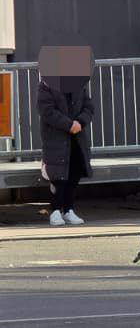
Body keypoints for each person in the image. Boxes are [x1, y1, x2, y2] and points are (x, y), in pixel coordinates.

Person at [37, 70, 94, 226]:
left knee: (74, 172)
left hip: (77, 136)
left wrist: (80, 122)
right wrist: (69, 125)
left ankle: (69, 210)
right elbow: (47, 112)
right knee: (57, 175)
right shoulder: (46, 85)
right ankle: (55, 211)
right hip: (56, 137)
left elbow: (88, 106)